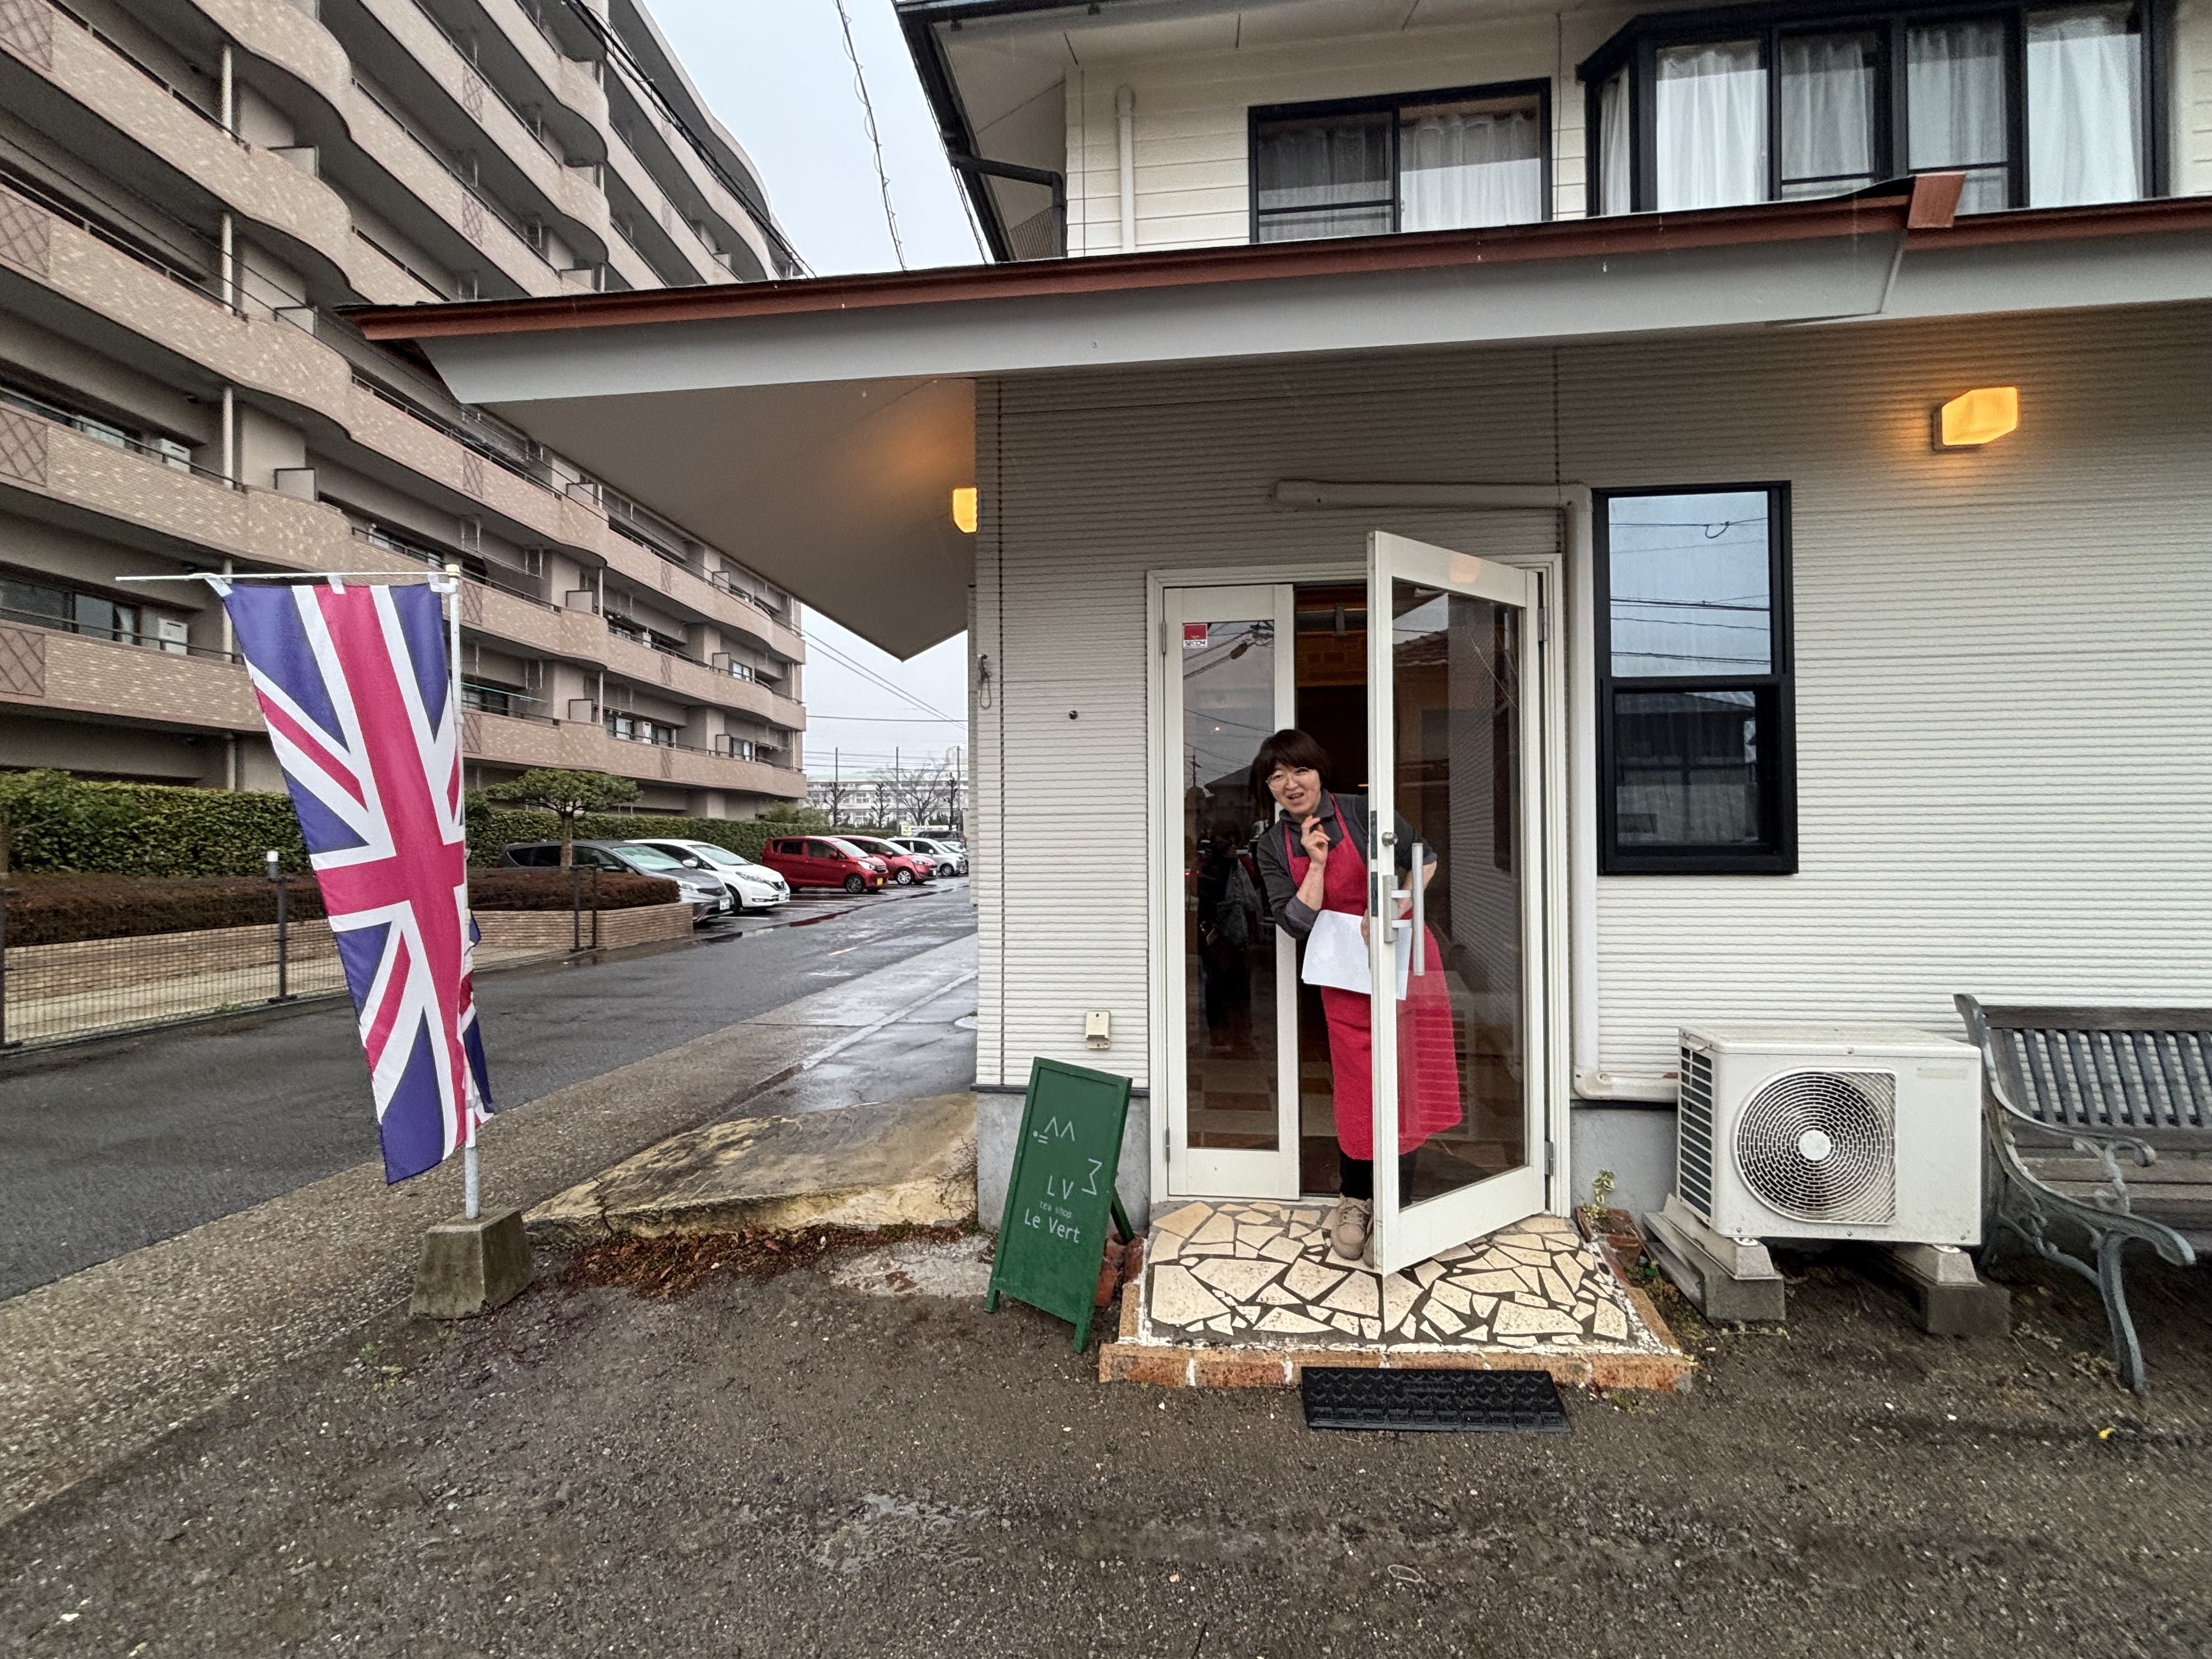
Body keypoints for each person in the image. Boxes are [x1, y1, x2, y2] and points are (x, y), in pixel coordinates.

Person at [1249, 729, 1462, 1263]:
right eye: (1277, 777)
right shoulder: (1272, 845)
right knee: (1357, 1088)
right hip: (1344, 976)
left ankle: (1399, 1205)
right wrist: (1317, 863)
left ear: (1319, 771)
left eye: (1300, 770)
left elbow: (1426, 859)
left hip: (1403, 961)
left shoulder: (1363, 812)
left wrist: (1392, 906)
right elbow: (1295, 923)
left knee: (1409, 1079)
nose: (1291, 784)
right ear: (1268, 788)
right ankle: (1356, 1201)